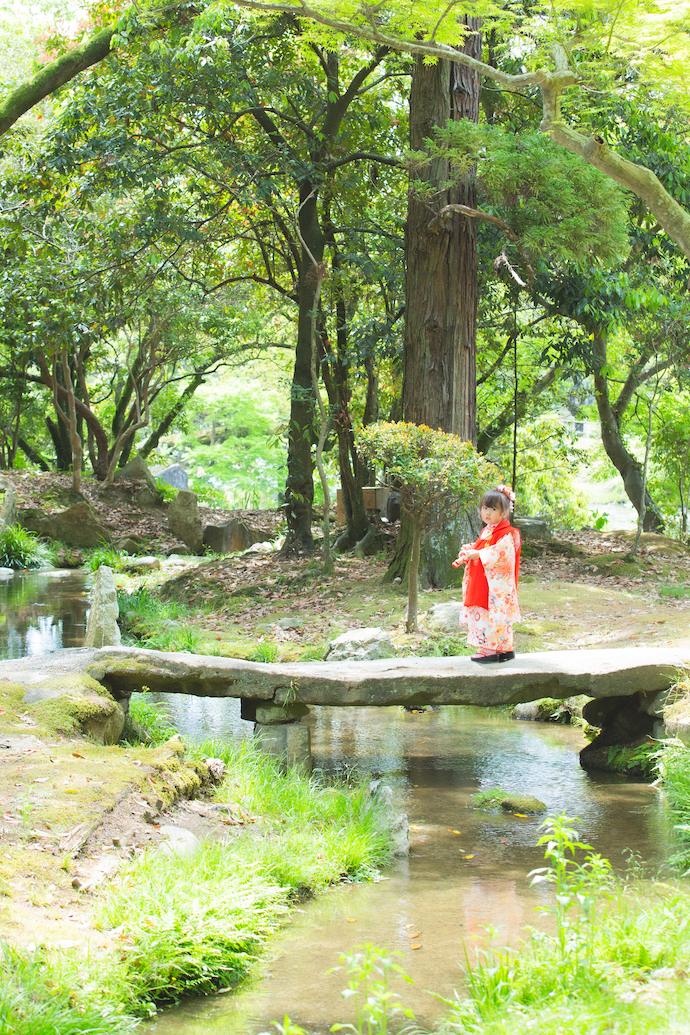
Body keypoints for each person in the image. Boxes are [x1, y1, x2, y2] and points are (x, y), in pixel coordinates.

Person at [452, 485, 521, 664]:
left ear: (504, 512)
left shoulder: (507, 534)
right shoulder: (488, 531)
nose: (487, 513)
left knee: (493, 612)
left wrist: (480, 554)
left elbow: (501, 553)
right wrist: (470, 550)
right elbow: (484, 547)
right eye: (484, 508)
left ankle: (491, 649)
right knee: (489, 612)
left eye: (493, 509)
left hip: (494, 586)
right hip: (485, 581)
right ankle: (502, 648)